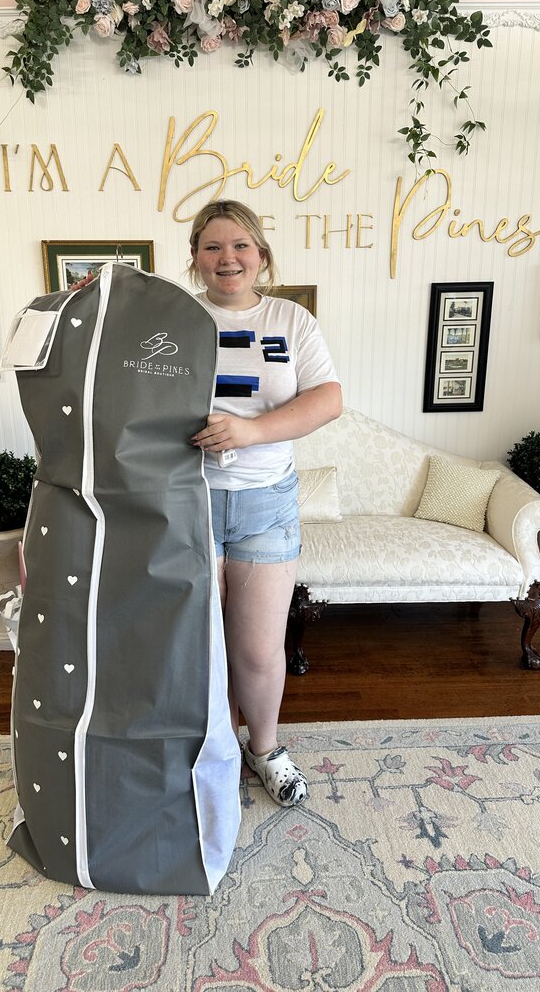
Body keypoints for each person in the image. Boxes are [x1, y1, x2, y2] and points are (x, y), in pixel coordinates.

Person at [188, 200, 342, 806]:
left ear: (261, 256)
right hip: (185, 502)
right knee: (196, 645)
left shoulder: (290, 320)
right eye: (213, 247)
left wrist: (249, 431)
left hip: (264, 504)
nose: (228, 258)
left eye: (241, 246)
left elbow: (328, 399)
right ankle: (214, 746)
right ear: (196, 258)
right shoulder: (174, 321)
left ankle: (265, 748)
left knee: (256, 647)